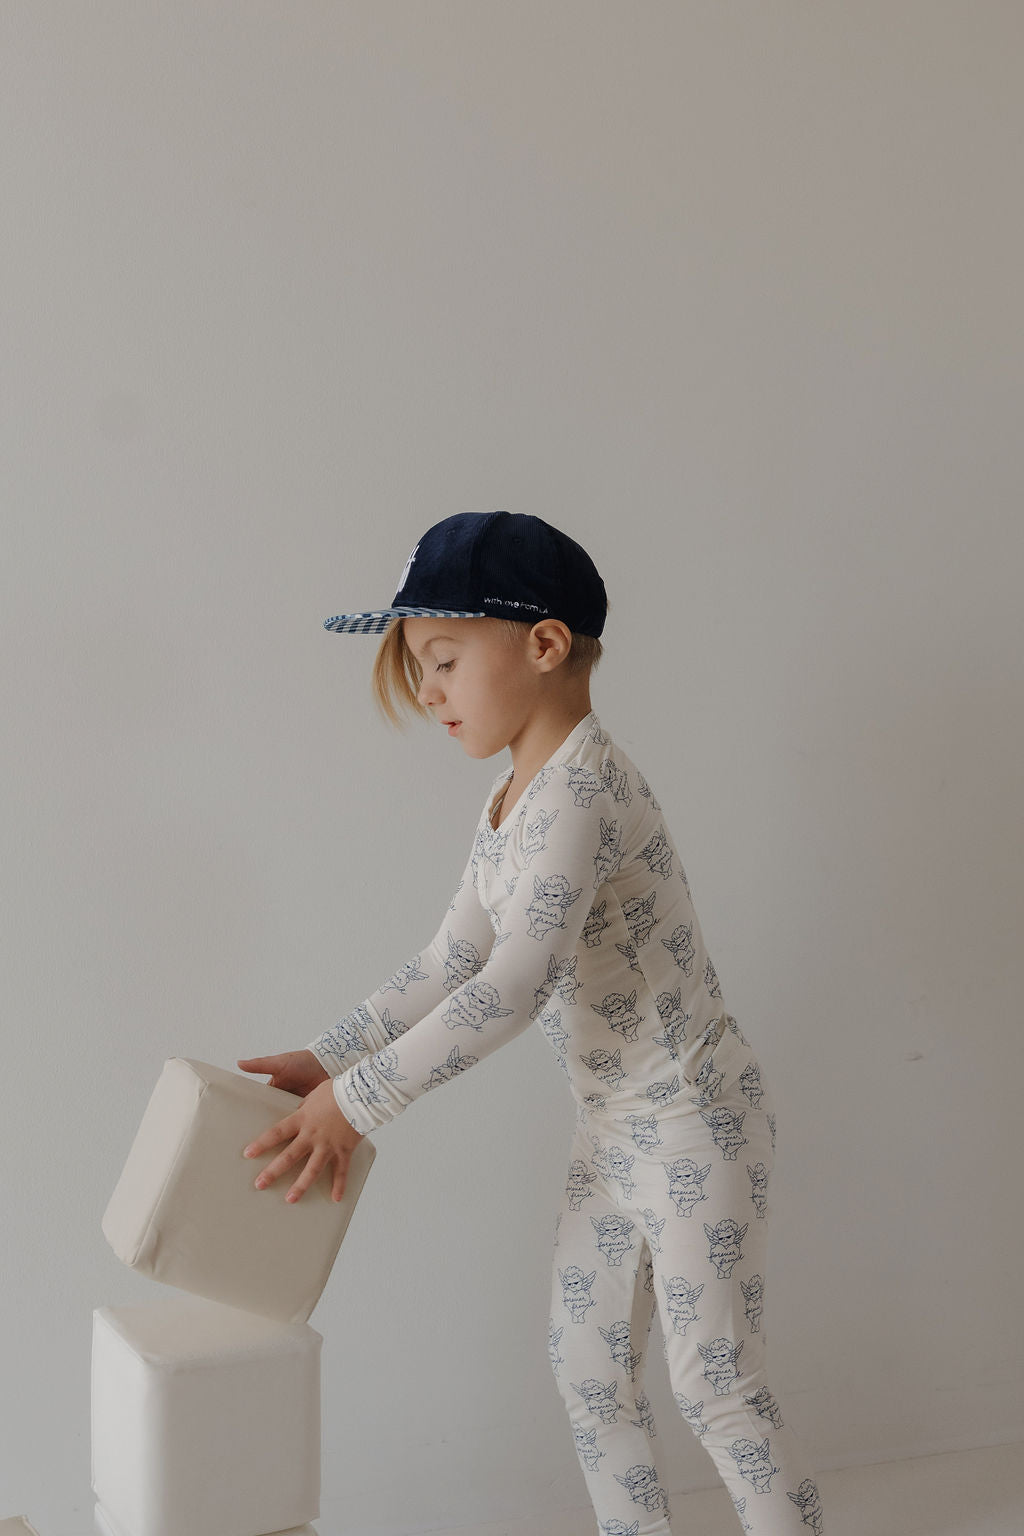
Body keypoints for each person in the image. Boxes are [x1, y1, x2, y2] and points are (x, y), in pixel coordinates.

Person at [237, 510, 825, 1536]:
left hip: (695, 1120)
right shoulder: (515, 798)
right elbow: (449, 961)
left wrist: (358, 1102)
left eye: (444, 659)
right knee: (589, 1371)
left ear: (544, 646)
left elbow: (511, 984)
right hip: (610, 1133)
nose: (425, 692)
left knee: (715, 1383)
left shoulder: (585, 791)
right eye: (420, 666)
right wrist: (328, 1057)